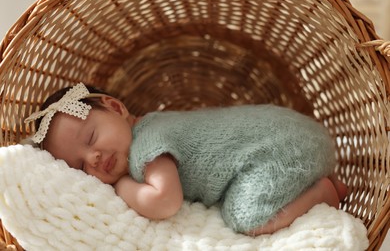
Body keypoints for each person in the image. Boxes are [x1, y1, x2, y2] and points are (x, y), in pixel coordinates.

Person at [24, 83, 347, 236]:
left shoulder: (147, 143)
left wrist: (122, 187)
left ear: (116, 107)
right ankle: (320, 185)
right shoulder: (151, 129)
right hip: (292, 139)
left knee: (243, 217)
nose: (92, 158)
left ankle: (325, 193)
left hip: (282, 147)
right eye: (81, 166)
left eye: (91, 139)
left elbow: (165, 201)